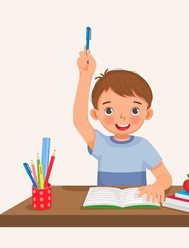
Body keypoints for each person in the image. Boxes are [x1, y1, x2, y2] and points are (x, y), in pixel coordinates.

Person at [73, 48, 172, 203]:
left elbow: (165, 176)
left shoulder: (143, 146)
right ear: (95, 114)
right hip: (105, 205)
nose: (122, 117)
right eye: (109, 110)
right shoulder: (101, 144)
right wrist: (85, 77)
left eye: (134, 110)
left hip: (137, 205)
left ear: (147, 113)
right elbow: (80, 121)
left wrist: (158, 186)